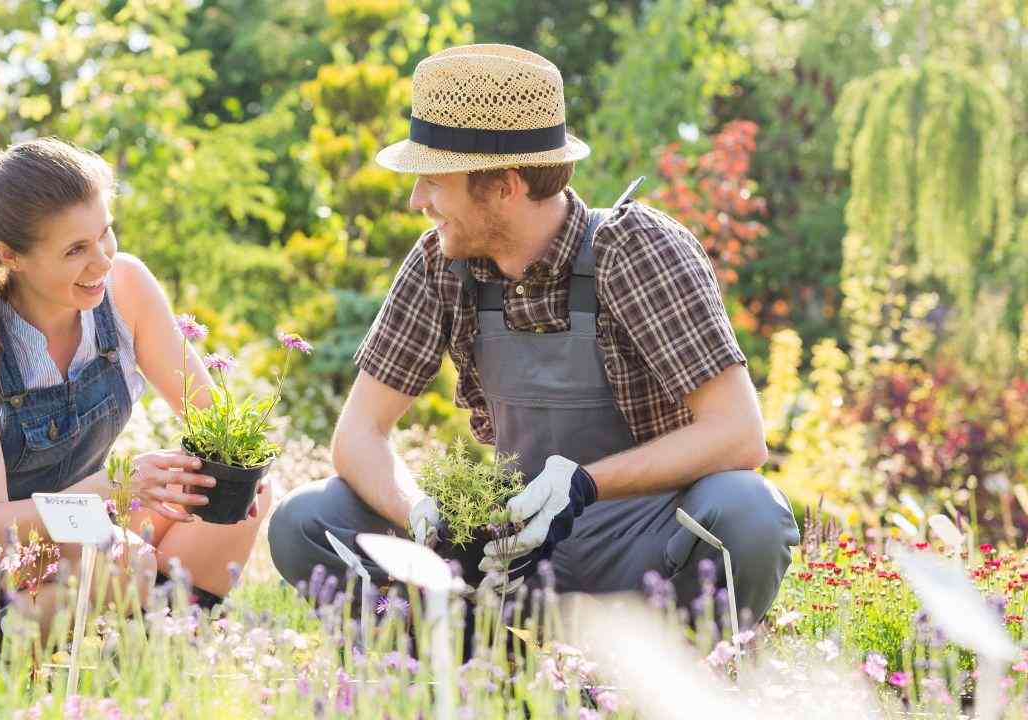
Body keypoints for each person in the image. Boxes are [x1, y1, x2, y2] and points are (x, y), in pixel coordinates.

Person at [269, 44, 799, 620]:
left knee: (749, 511)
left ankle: (676, 679)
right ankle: (465, 669)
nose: (417, 201)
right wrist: (417, 508)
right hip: (507, 555)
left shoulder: (637, 250)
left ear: (504, 184)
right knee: (307, 519)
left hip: (642, 551)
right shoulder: (440, 264)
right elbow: (358, 435)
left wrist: (583, 484)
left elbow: (739, 433)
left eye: (433, 181)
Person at [0, 137, 270, 624]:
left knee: (240, 499)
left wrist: (225, 472)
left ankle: (167, 637)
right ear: (10, 255)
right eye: (75, 250)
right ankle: (5, 638)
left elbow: (213, 418)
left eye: (105, 234)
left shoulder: (125, 287)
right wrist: (117, 485)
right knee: (100, 577)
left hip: (76, 513)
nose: (103, 261)